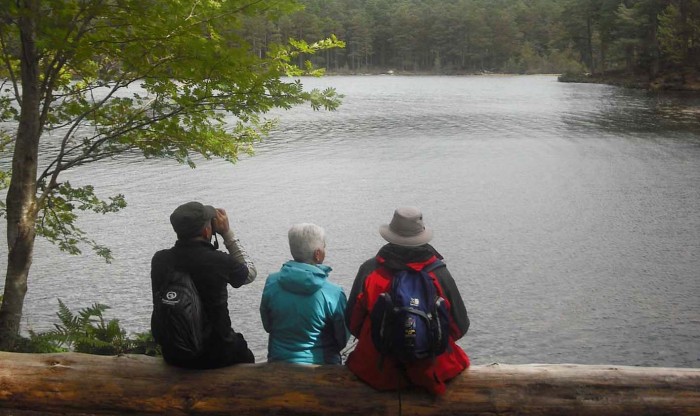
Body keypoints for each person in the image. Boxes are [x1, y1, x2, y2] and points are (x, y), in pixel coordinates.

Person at [345, 207, 470, 395]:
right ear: (421, 237)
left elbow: (352, 323)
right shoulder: (439, 273)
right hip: (432, 370)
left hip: (378, 371)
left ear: (391, 236)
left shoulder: (370, 270)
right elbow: (460, 326)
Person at [151, 201, 257, 368]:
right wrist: (227, 234)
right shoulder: (219, 261)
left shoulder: (160, 260)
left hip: (175, 353)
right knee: (245, 353)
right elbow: (249, 274)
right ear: (207, 230)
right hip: (217, 354)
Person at [260, 223, 349, 364]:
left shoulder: (272, 282)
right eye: (324, 246)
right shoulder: (334, 293)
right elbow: (342, 339)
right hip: (322, 368)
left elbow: (268, 325)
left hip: (278, 362)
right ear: (318, 254)